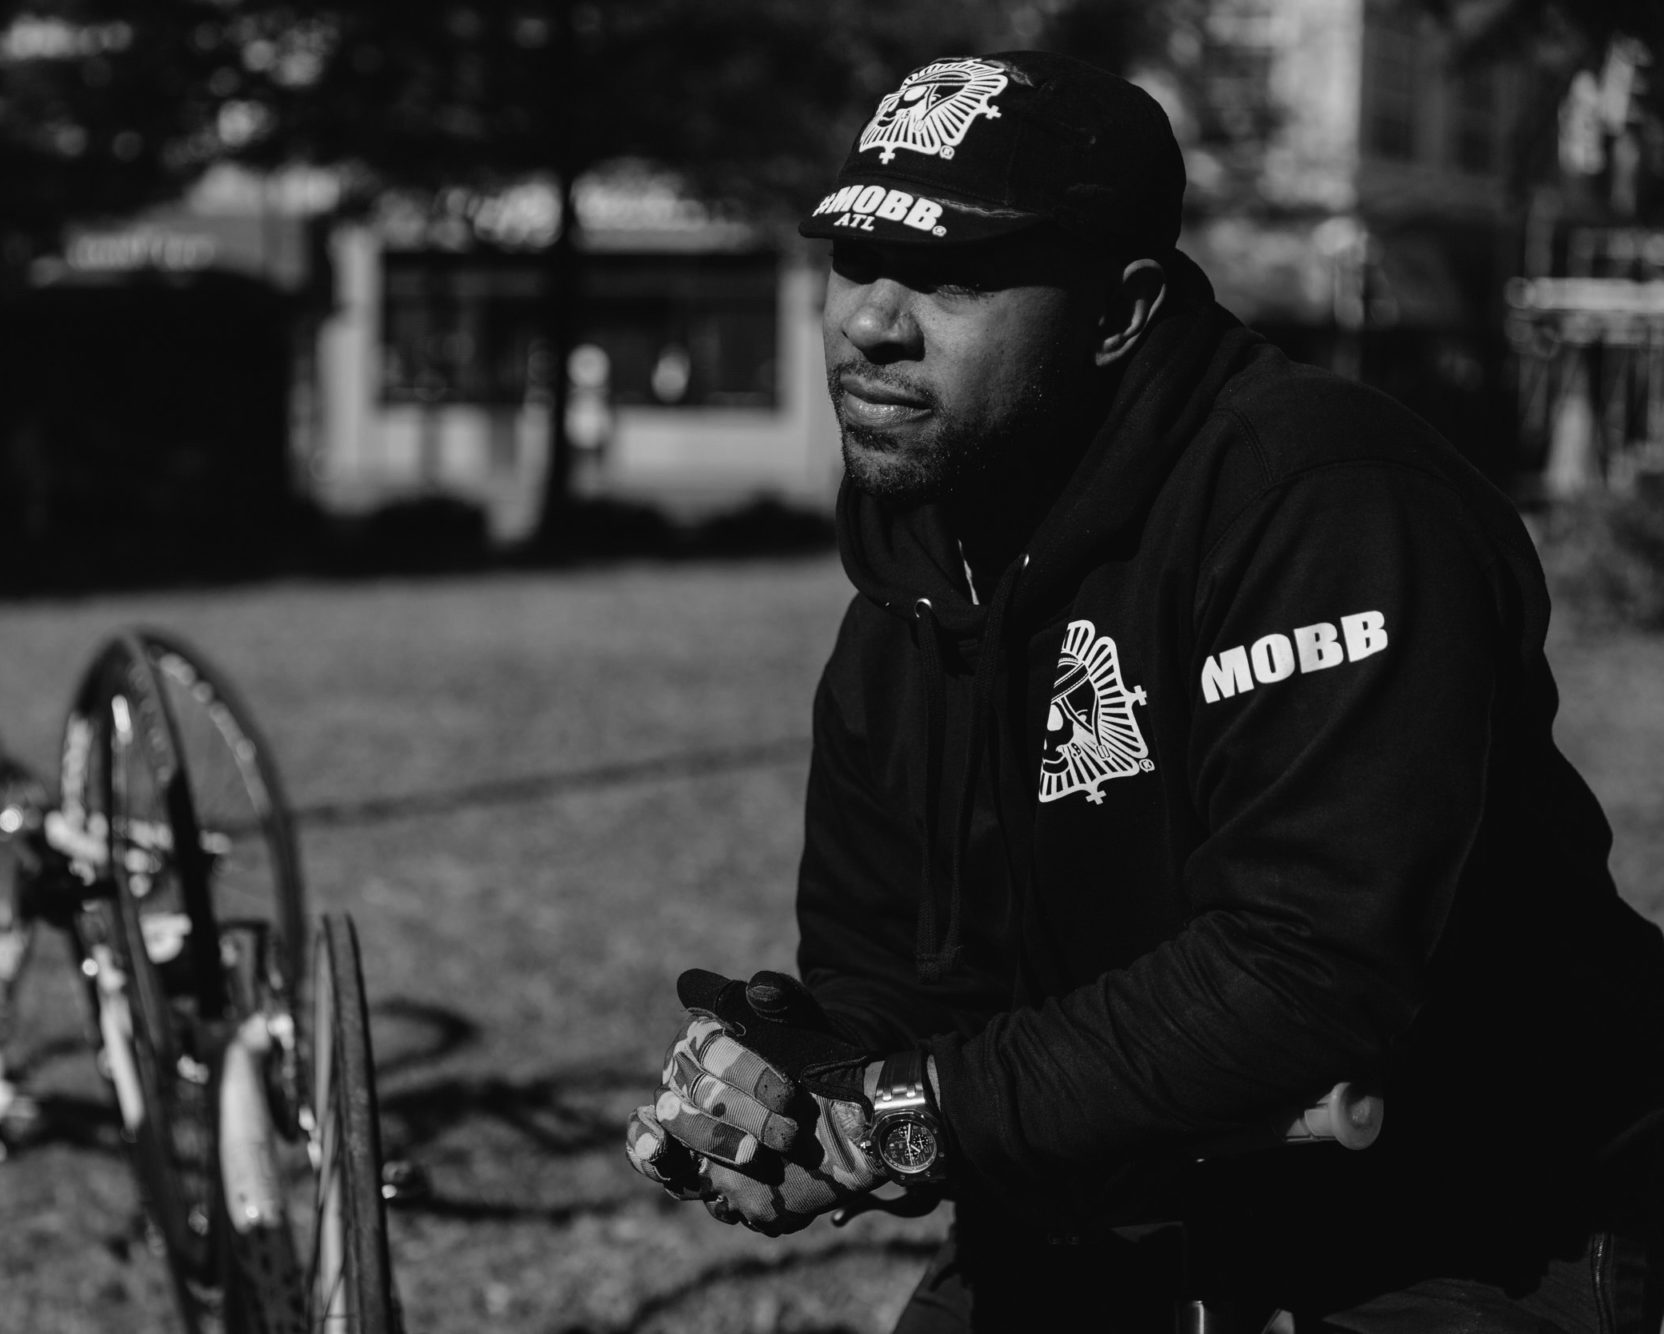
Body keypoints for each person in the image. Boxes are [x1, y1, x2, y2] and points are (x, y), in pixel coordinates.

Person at [624, 49, 1664, 1332]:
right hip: (1106, 1209)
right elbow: (896, 973)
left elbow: (1304, 964)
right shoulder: (906, 589)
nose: (869, 320)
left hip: (1459, 1212)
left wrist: (917, 1110)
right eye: (853, 260)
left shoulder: (1321, 505)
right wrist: (806, 1076)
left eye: (951, 274)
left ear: (1118, 313)